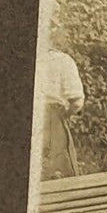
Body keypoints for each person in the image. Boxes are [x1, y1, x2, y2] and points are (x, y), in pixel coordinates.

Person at [39, 36, 84, 179]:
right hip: (52, 122)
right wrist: (66, 113)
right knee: (60, 178)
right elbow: (76, 101)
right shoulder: (62, 61)